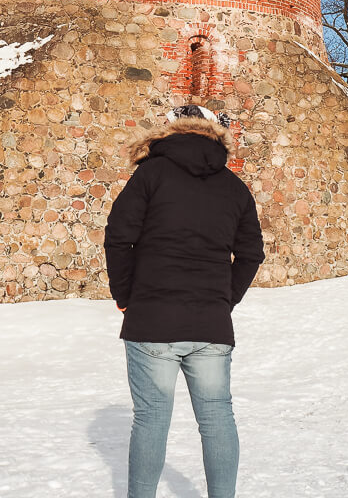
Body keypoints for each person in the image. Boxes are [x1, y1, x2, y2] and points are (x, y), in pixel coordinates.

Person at [104, 104, 265, 498]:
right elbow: (252, 254)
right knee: (217, 419)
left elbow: (117, 237)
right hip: (210, 323)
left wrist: (126, 296)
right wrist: (223, 300)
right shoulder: (234, 186)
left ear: (173, 134)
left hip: (152, 319)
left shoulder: (151, 174)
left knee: (151, 420)